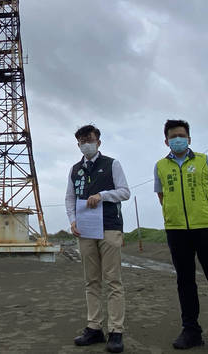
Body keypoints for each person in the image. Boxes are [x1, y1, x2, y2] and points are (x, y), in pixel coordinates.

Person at [154, 120, 208, 354]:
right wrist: (174, 215)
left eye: (182, 135)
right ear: (166, 141)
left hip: (207, 228)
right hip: (176, 231)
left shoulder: (205, 161)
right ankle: (191, 331)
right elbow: (162, 195)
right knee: (185, 282)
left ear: (189, 139)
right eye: (173, 136)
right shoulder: (160, 166)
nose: (178, 139)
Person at [65, 124, 130, 353]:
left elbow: (125, 192)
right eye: (82, 141)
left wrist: (102, 195)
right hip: (85, 231)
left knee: (113, 280)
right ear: (78, 145)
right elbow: (70, 199)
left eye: (89, 139)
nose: (86, 143)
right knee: (91, 280)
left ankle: (116, 331)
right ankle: (94, 327)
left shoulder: (112, 164)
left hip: (110, 227)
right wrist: (72, 220)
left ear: (98, 142)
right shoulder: (75, 170)